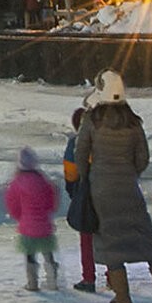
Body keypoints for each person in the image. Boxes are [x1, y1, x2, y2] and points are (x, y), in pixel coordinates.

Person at [75, 71, 152, 303]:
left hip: (101, 189)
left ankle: (122, 297)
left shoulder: (92, 120)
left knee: (111, 244)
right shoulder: (133, 122)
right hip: (129, 188)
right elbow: (142, 157)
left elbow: (80, 153)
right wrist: (130, 173)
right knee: (146, 239)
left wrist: (88, 177)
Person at [4, 146, 59, 292]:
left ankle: (32, 283)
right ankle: (53, 280)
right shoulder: (42, 180)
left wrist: (19, 217)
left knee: (30, 255)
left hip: (27, 226)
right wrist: (48, 212)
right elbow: (52, 200)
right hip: (44, 224)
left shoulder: (16, 183)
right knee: (48, 253)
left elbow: (12, 203)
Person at [63, 107, 97, 292]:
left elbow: (70, 172)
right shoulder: (102, 140)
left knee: (86, 238)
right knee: (106, 237)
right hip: (104, 191)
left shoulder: (75, 143)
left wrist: (73, 192)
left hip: (84, 195)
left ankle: (89, 278)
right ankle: (113, 276)